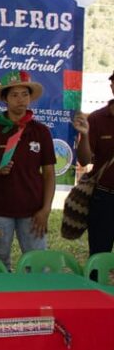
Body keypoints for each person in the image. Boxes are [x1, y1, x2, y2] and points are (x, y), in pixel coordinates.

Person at [0, 71, 56, 270]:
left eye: (25, 94)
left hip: (33, 211)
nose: (20, 100)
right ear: (5, 99)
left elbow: (49, 173)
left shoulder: (41, 131)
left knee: (37, 264)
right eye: (14, 95)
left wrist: (46, 209)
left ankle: (37, 301)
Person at [72, 70, 114, 254]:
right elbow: (84, 159)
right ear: (112, 86)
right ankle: (95, 284)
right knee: (99, 254)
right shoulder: (97, 118)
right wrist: (85, 134)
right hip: (104, 198)